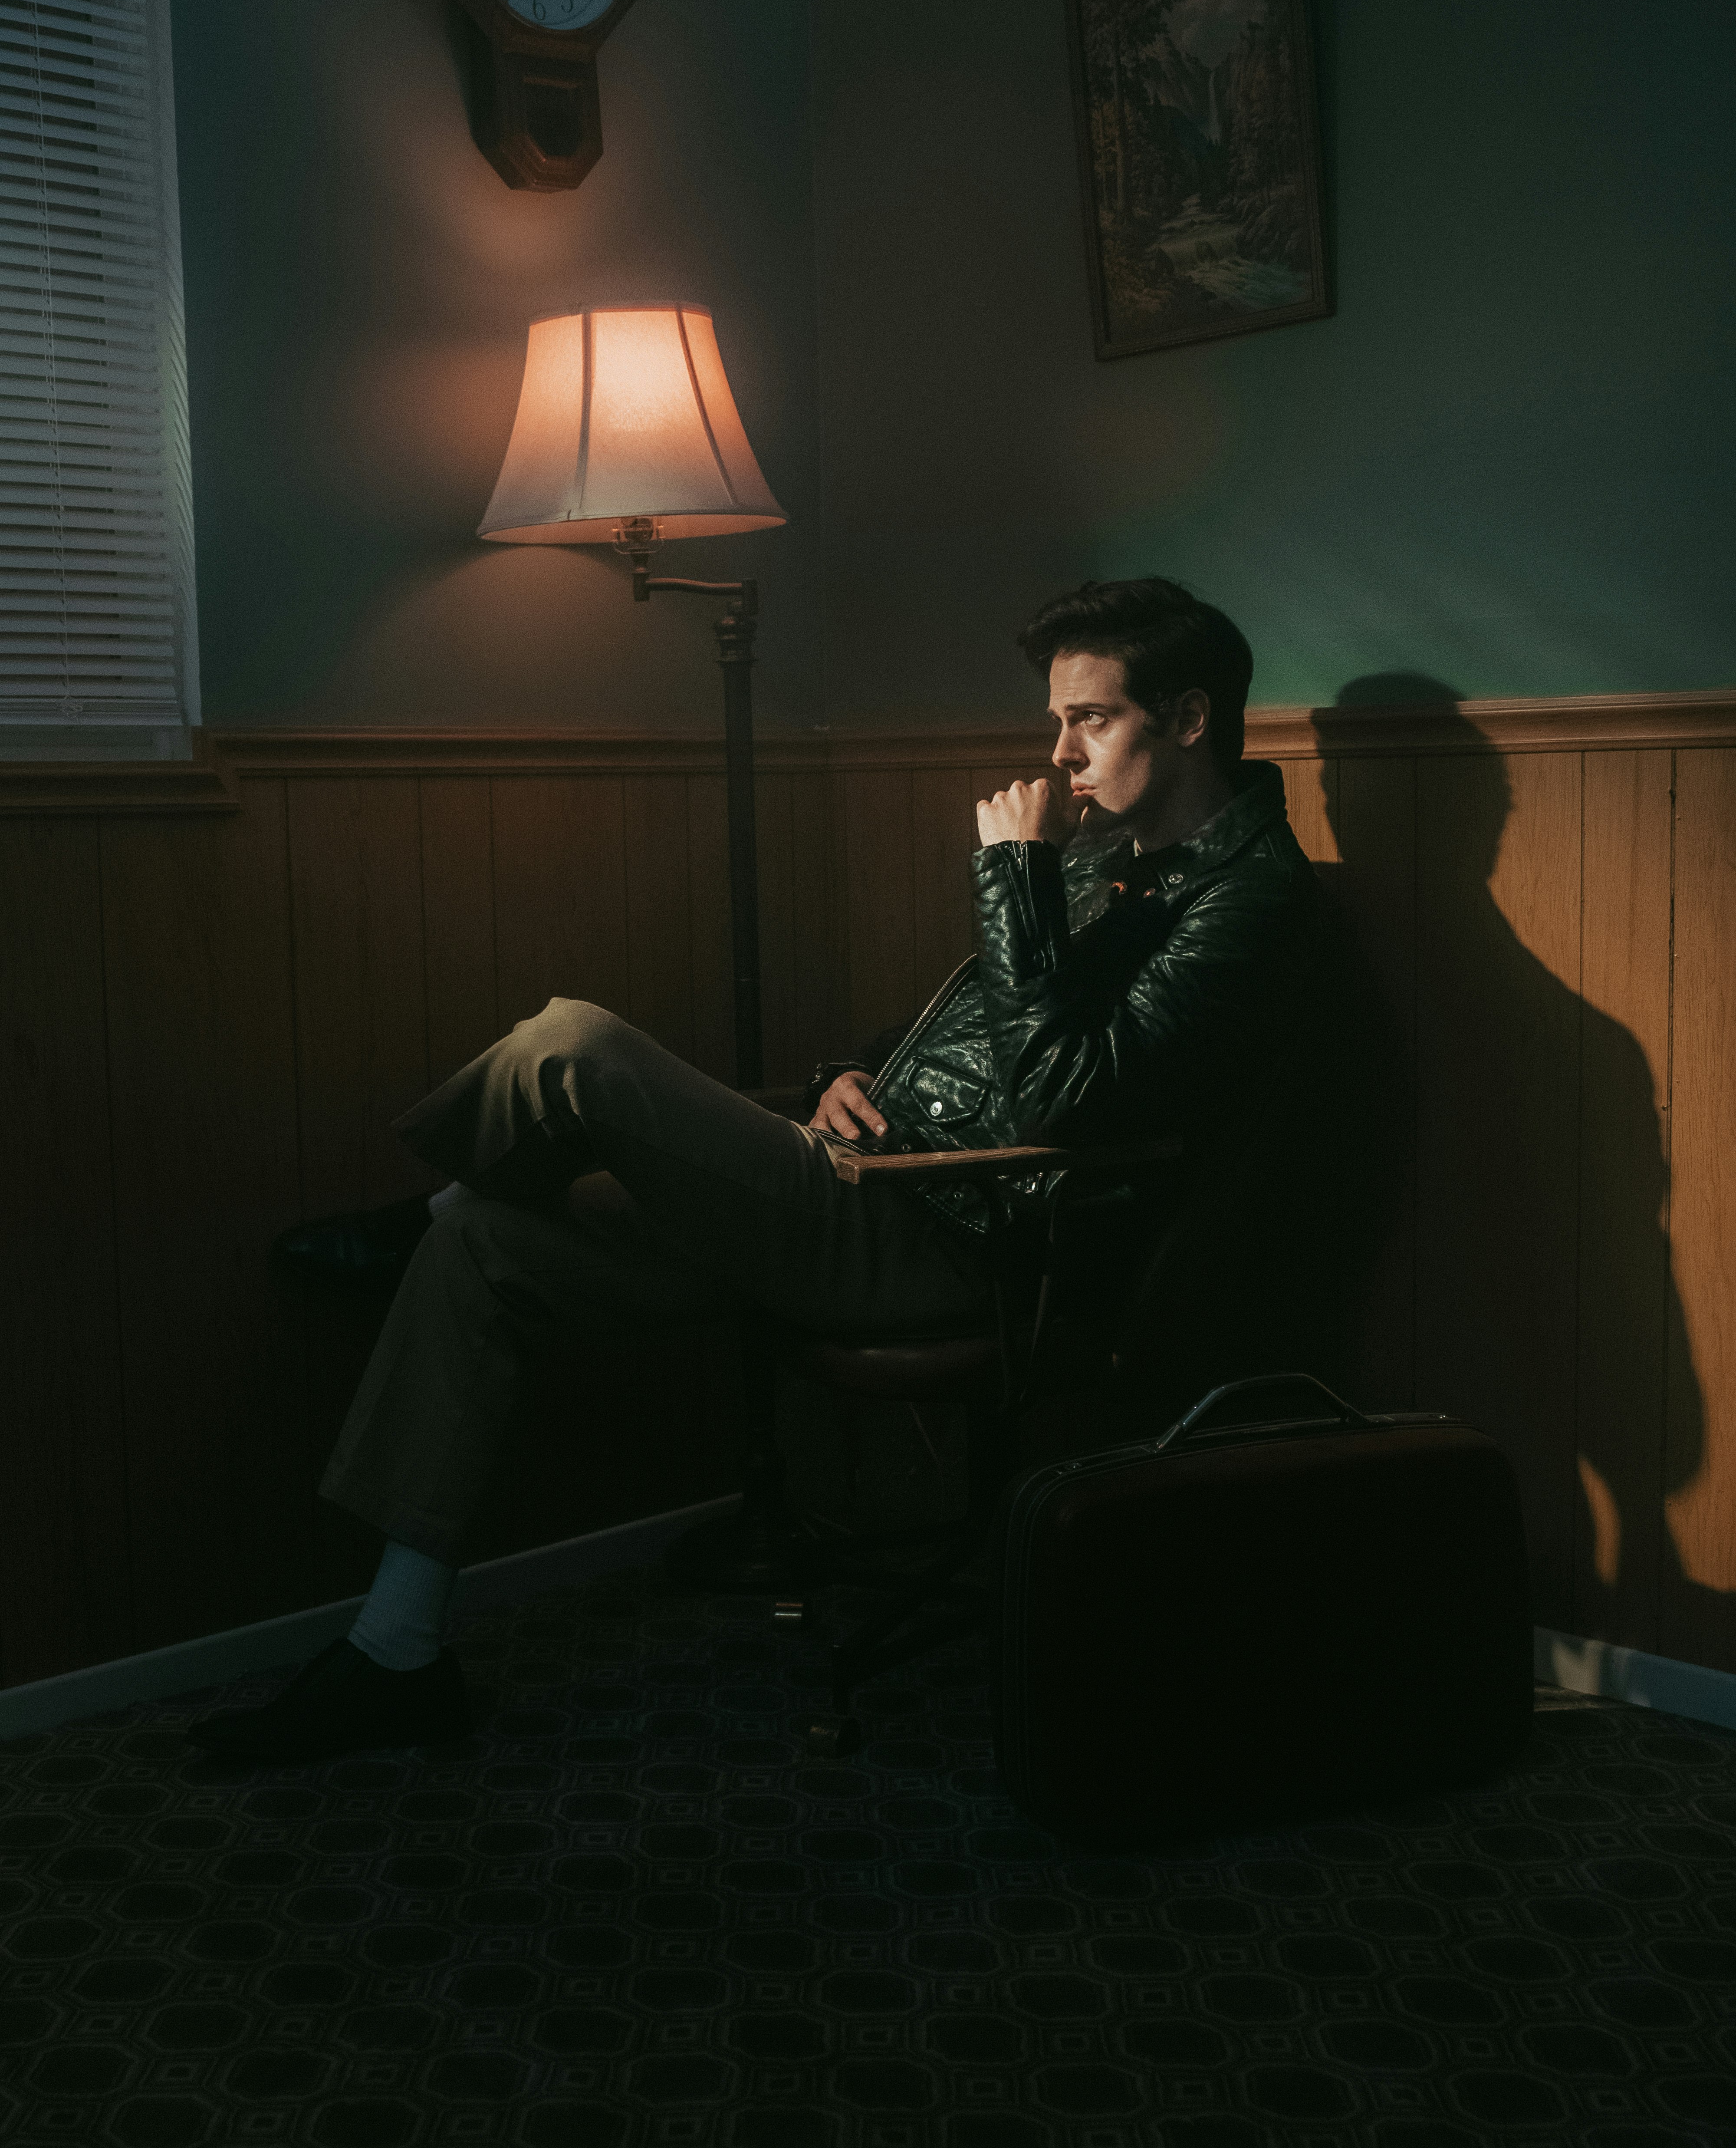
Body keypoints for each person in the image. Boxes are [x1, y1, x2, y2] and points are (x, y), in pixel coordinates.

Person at [191, 576, 1318, 1763]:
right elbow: (965, 1031)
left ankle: (433, 1202)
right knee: (486, 1253)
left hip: (956, 1240)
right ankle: (394, 1650)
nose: (1059, 753)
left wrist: (1013, 877)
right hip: (861, 1178)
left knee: (575, 1042)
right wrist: (853, 1072)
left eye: (1090, 719)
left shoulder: (1252, 898)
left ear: (1188, 719)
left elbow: (1067, 1097)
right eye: (1058, 721)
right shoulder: (1102, 857)